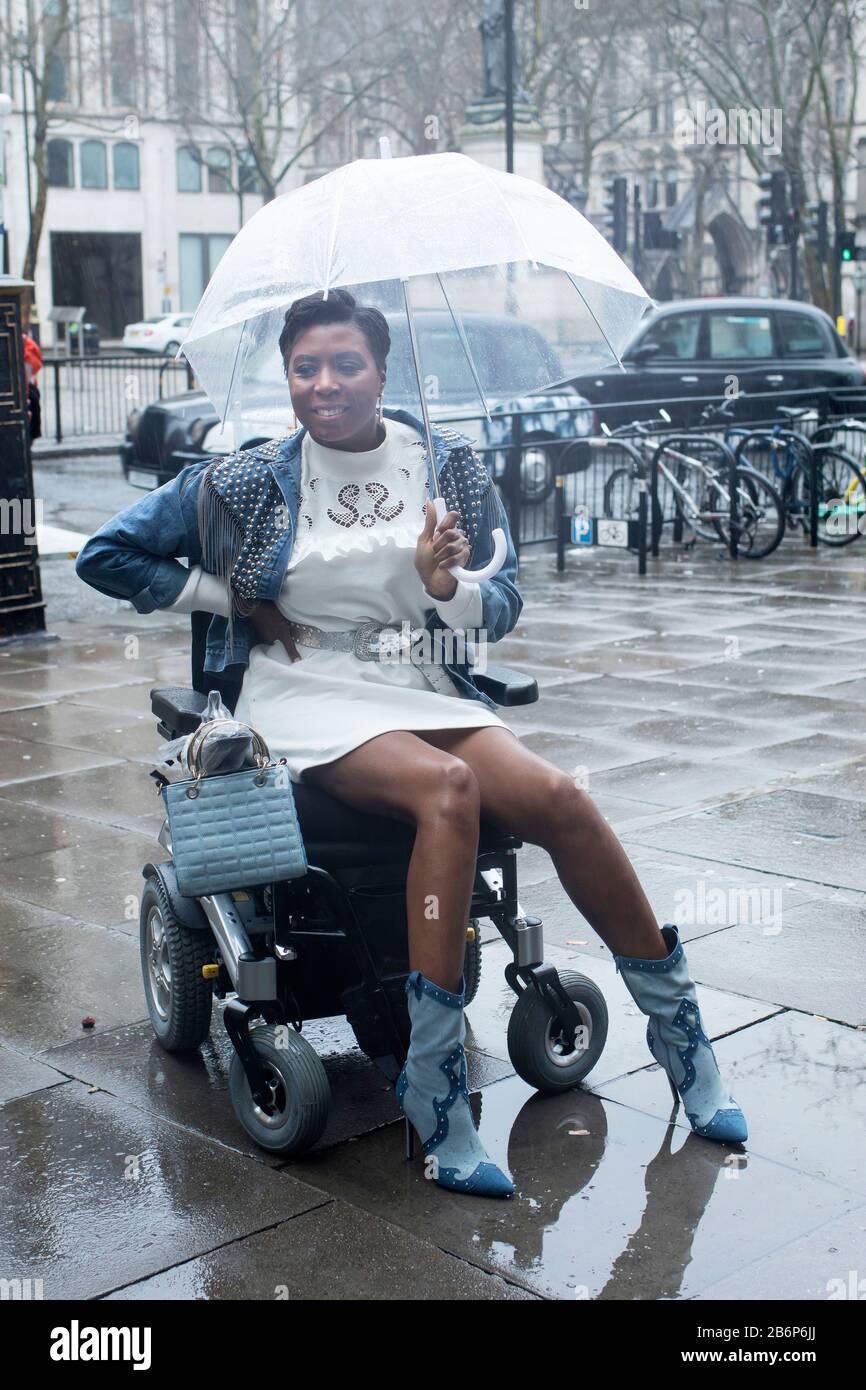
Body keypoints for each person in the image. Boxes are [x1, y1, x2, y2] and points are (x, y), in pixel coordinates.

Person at [75, 289, 747, 1200]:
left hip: (421, 678)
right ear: (288, 376)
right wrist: (233, 599)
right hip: (306, 691)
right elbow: (106, 556)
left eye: (345, 364)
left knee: (562, 799)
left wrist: (445, 588)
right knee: (448, 792)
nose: (324, 384)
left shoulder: (449, 465)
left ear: (382, 371)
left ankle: (685, 1045)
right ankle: (436, 1094)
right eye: (305, 367)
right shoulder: (248, 477)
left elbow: (501, 602)